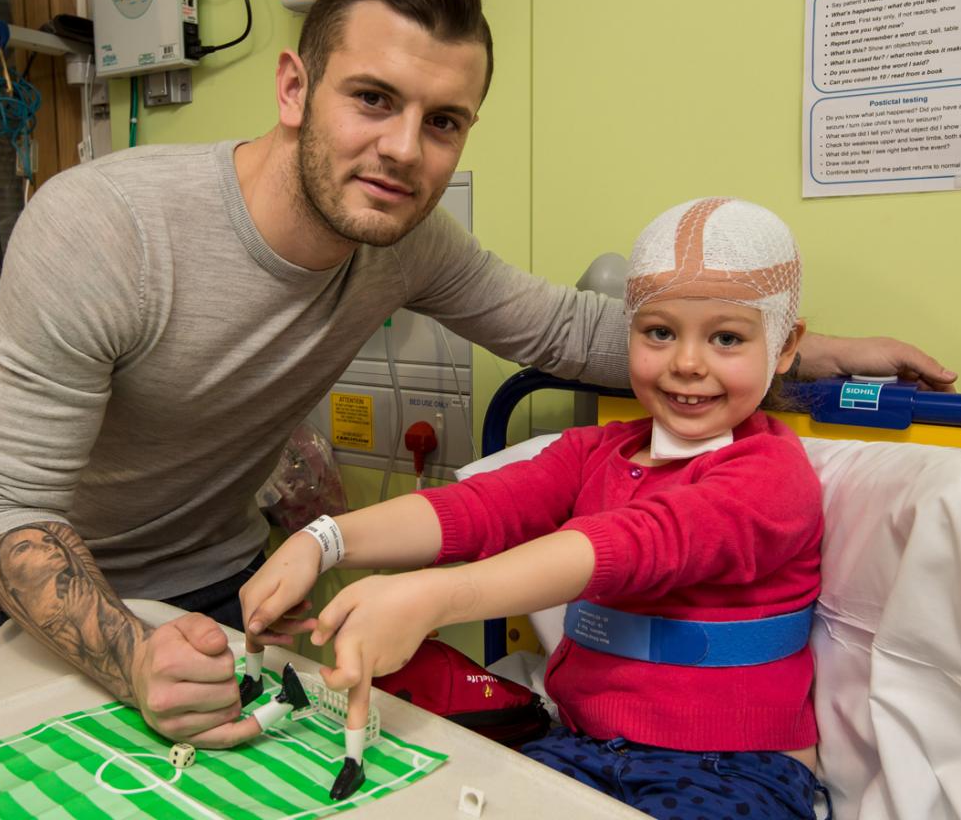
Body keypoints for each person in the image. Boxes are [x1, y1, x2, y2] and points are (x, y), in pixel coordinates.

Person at [0, 0, 955, 750]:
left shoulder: (408, 243)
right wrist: (129, 654)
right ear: (295, 86)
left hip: (230, 587)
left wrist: (803, 355)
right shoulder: (103, 230)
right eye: (373, 99)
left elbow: (573, 331)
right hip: (58, 606)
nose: (403, 149)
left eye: (443, 122)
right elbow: (1, 508)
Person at [241, 197, 827, 818]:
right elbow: (478, 508)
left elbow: (627, 545)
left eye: (727, 338)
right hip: (580, 744)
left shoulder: (770, 476)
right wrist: (323, 540)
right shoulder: (594, 453)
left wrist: (431, 598)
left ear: (785, 346)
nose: (686, 362)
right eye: (659, 332)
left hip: (735, 768)